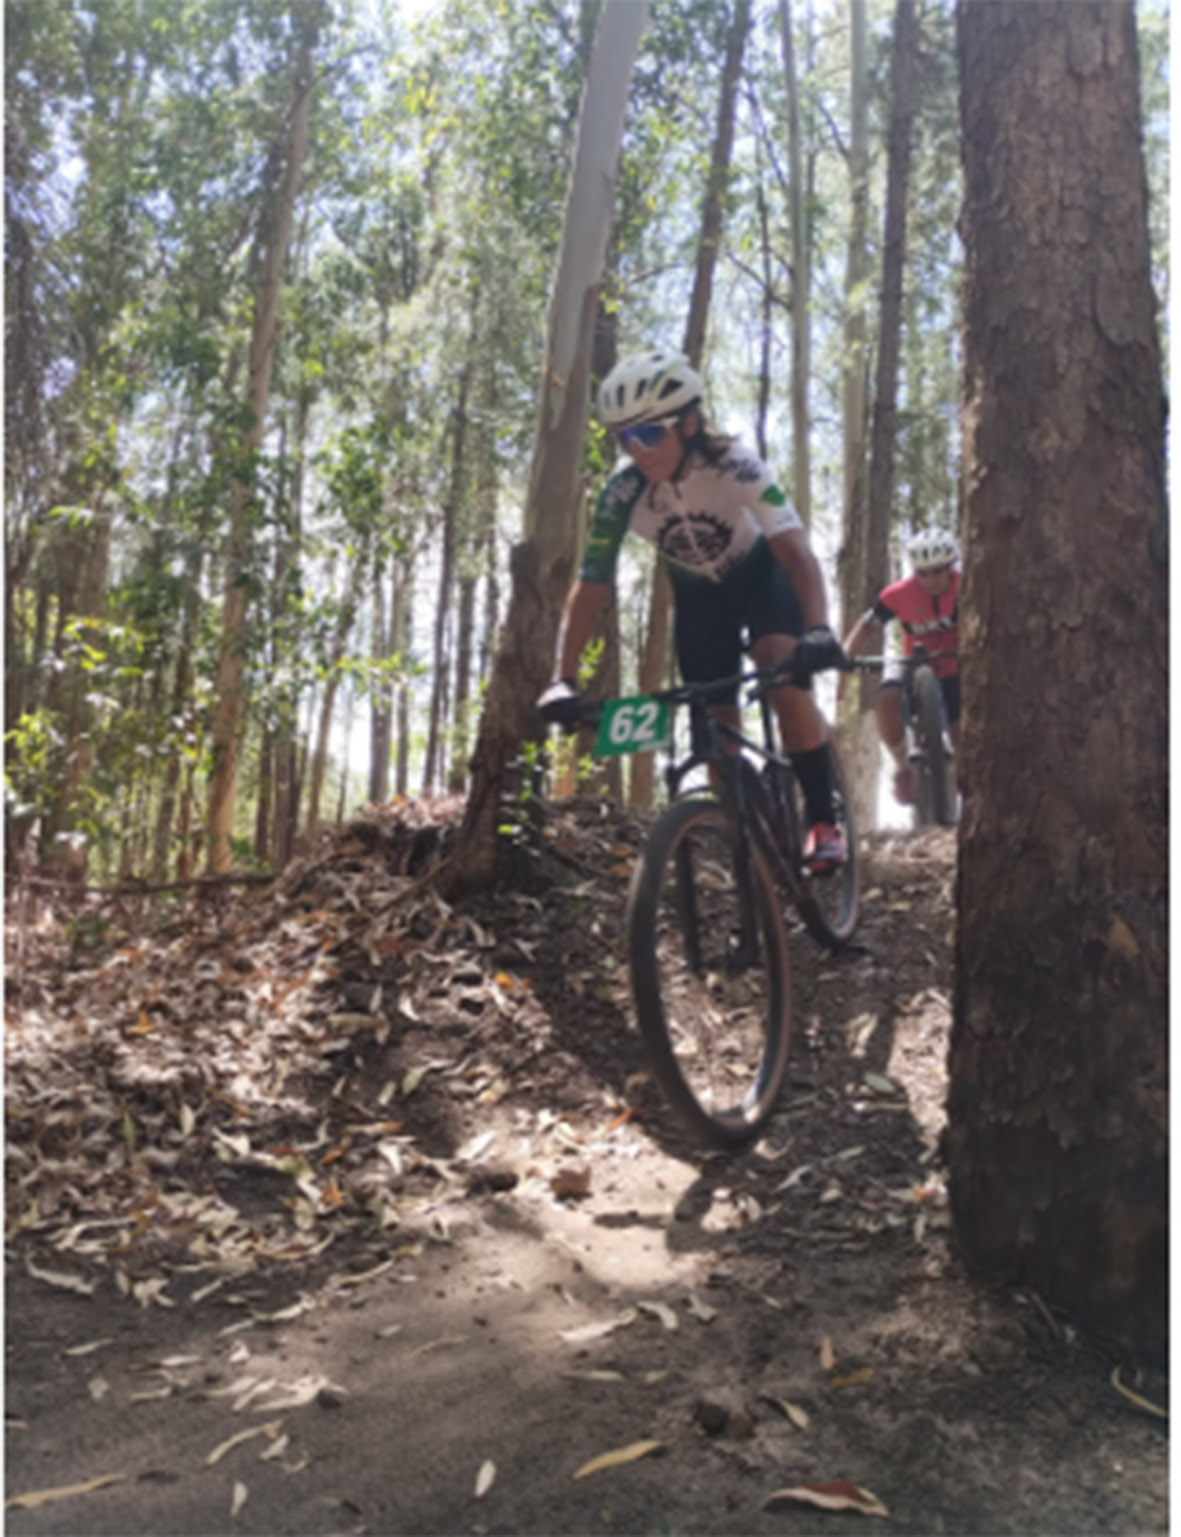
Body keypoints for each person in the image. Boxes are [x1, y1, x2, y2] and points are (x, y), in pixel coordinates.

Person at [537, 349, 848, 869]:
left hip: (763, 576)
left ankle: (823, 818)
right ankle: (746, 847)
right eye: (627, 439)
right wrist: (561, 679)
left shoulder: (735, 465)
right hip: (700, 599)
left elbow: (795, 550)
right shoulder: (622, 493)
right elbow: (589, 587)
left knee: (783, 677)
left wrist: (817, 628)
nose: (639, 450)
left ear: (688, 423)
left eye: (650, 434)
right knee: (713, 728)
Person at [841, 529, 961, 804]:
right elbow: (867, 627)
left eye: (938, 571)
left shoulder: (966, 586)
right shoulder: (898, 594)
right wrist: (845, 655)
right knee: (888, 692)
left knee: (962, 739)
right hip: (914, 665)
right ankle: (903, 764)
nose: (931, 580)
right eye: (923, 573)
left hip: (956, 668)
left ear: (950, 567)